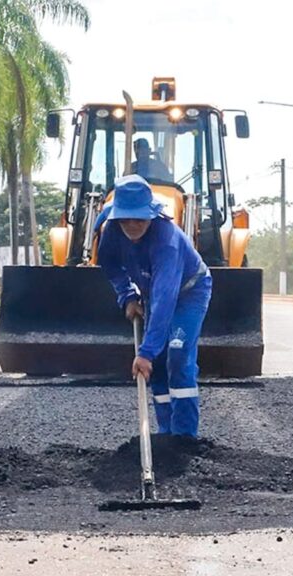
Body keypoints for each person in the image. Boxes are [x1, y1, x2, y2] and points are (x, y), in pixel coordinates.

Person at [97, 174, 211, 437]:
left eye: (139, 218)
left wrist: (145, 352)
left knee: (178, 352)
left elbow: (164, 300)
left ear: (152, 214)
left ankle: (184, 437)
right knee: (158, 363)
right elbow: (110, 264)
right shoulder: (112, 230)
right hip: (151, 291)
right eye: (126, 217)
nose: (132, 224)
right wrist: (127, 295)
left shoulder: (166, 243)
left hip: (189, 292)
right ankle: (165, 434)